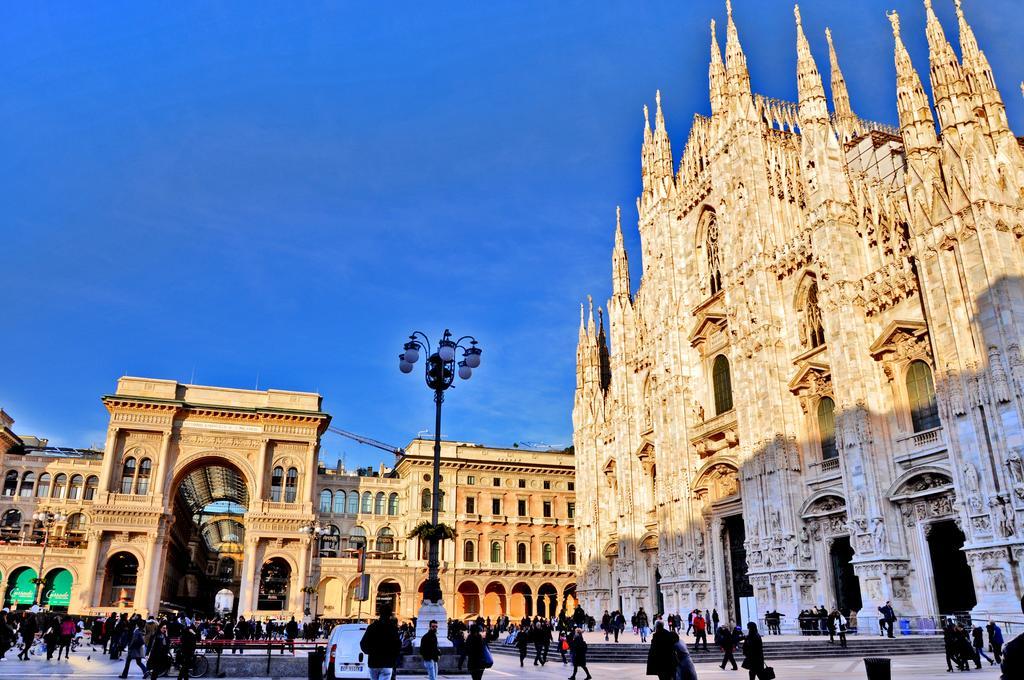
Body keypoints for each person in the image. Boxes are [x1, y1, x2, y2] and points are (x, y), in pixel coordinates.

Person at [360, 606, 402, 680]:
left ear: (379, 614)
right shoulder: (392, 628)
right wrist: (394, 657)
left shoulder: (372, 627)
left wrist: (370, 652)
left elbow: (363, 643)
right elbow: (398, 645)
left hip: (374, 662)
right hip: (387, 662)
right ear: (390, 615)